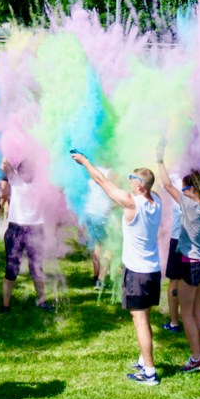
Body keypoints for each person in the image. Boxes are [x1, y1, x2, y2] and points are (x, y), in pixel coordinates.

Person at [73, 153, 162, 385]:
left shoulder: (133, 202)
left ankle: (150, 373)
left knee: (139, 320)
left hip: (138, 272)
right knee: (146, 317)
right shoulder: (157, 201)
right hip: (152, 270)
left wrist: (85, 163)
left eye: (133, 179)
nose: (130, 182)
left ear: (140, 185)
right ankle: (144, 360)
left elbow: (102, 182)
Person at [158, 150, 200, 373]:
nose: (182, 191)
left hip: (189, 264)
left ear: (192, 190)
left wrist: (159, 160)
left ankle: (195, 358)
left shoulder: (191, 206)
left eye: (185, 188)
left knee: (186, 313)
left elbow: (166, 185)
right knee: (196, 312)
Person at [0, 159, 52, 313]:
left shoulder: (42, 184)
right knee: (11, 269)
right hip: (16, 228)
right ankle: (5, 306)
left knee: (37, 268)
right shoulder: (14, 179)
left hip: (36, 229)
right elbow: (4, 163)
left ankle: (42, 302)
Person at [82, 165, 114, 290]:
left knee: (96, 244)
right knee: (110, 246)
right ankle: (101, 280)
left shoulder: (91, 169)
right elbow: (115, 194)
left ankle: (96, 275)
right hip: (102, 214)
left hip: (89, 212)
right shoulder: (110, 172)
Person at [162, 174, 183, 333]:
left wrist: (160, 160)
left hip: (179, 241)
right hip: (198, 244)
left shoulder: (183, 196)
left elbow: (166, 184)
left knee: (174, 282)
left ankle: (175, 322)